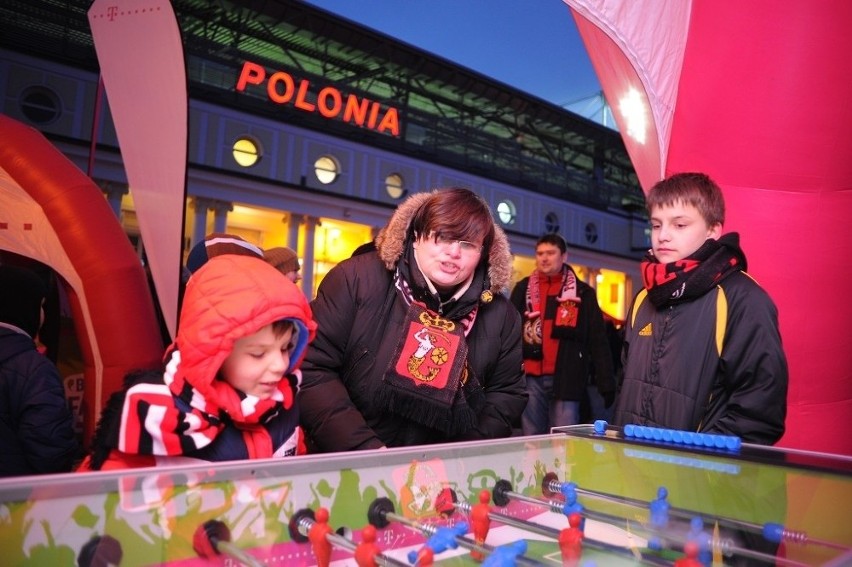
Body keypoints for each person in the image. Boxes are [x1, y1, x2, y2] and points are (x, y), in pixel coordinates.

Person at [298, 187, 527, 451]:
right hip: (352, 464)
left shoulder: (502, 315)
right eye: (442, 237)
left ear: (482, 253)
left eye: (468, 244)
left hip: (446, 476)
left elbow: (506, 395)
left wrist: (460, 458)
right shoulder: (355, 280)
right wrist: (365, 451)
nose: (454, 252)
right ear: (417, 236)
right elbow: (313, 368)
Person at [78, 254, 317, 470]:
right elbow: (106, 502)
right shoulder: (159, 414)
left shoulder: (282, 403)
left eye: (286, 348)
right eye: (258, 353)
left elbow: (294, 475)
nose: (279, 365)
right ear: (214, 353)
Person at [613, 172, 787, 444]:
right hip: (634, 470)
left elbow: (759, 413)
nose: (663, 236)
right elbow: (624, 387)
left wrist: (700, 467)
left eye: (680, 225)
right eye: (657, 225)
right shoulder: (643, 298)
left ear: (713, 230)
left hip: (698, 476)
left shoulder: (744, 300)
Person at [509, 233, 615, 435]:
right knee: (531, 438)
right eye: (540, 253)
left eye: (550, 253)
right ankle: (534, 468)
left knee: (563, 440)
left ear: (564, 256)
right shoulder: (523, 289)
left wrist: (606, 381)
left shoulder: (582, 293)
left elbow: (598, 340)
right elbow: (508, 332)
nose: (544, 258)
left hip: (567, 376)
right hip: (530, 377)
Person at [0, 264, 80, 476]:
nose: (44, 315)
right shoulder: (34, 370)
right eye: (41, 306)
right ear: (24, 306)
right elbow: (50, 451)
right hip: (16, 503)